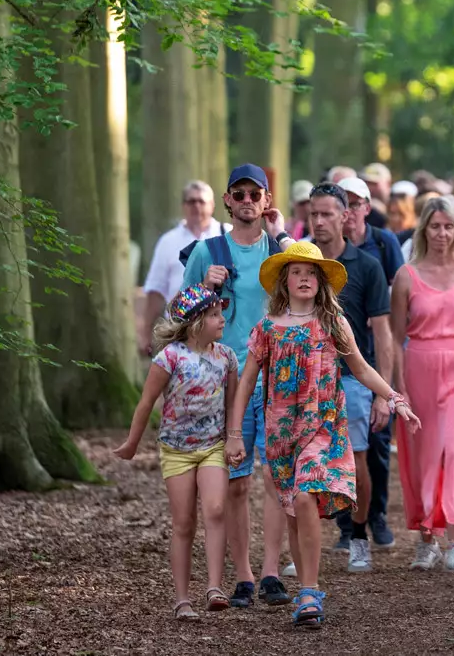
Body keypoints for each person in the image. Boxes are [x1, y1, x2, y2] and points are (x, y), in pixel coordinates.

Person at [226, 242, 421, 627]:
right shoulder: (267, 328)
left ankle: (310, 592)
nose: (304, 278)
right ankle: (305, 592)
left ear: (321, 282)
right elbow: (246, 381)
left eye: (311, 272)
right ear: (285, 280)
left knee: (304, 496)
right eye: (297, 271)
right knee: (295, 512)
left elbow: (362, 369)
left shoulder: (333, 323)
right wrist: (235, 433)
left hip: (323, 426)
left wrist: (395, 399)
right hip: (280, 432)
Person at [182, 164, 295, 608]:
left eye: (256, 194)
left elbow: (315, 288)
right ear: (227, 200)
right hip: (226, 381)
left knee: (277, 476)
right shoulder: (206, 251)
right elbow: (177, 318)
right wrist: (204, 292)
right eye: (239, 194)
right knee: (235, 481)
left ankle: (271, 572)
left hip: (279, 377)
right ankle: (244, 575)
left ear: (267, 201)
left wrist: (282, 235)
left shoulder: (282, 251)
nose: (247, 201)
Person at [115, 284, 236, 620]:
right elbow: (146, 402)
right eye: (214, 315)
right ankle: (182, 599)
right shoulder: (169, 357)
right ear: (196, 322)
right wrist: (132, 444)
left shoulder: (226, 357)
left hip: (213, 446)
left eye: (220, 313)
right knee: (184, 522)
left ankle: (214, 587)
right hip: (177, 450)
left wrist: (234, 438)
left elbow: (231, 405)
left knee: (214, 510)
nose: (221, 319)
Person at [392, 195, 454, 572]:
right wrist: (399, 388)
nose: (443, 233)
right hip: (420, 367)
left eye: (449, 226)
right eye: (435, 226)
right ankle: (426, 538)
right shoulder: (406, 275)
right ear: (424, 230)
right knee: (425, 455)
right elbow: (396, 338)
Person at [304, 183, 394, 569]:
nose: (320, 221)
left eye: (327, 213)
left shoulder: (368, 266)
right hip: (305, 381)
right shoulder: (298, 262)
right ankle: (302, 545)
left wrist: (383, 394)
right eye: (314, 214)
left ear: (346, 216)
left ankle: (358, 535)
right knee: (302, 464)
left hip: (353, 380)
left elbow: (383, 332)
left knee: (357, 462)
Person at [140, 181, 228, 355]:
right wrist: (145, 333)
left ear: (212, 205)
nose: (196, 206)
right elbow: (156, 291)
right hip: (180, 330)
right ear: (183, 205)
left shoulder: (226, 236)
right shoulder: (168, 241)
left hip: (222, 331)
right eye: (191, 201)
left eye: (201, 201)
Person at [361, 162, 392, 229]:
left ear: (388, 183)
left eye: (374, 184)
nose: (370, 188)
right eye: (367, 183)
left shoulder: (400, 201)